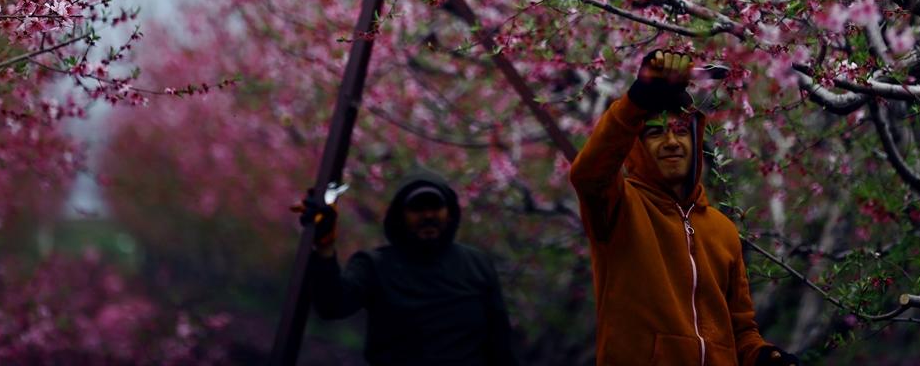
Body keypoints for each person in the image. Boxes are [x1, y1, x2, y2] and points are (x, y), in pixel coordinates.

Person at [570, 50, 799, 365]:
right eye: (655, 132)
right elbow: (588, 175)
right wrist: (637, 99)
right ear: (637, 145)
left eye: (680, 130)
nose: (671, 142)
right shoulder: (620, 207)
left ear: (695, 139)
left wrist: (763, 357)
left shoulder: (723, 230)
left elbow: (741, 331)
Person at [297, 171, 517, 366]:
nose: (428, 215)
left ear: (449, 213)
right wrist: (324, 245)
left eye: (436, 207)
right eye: (417, 208)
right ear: (400, 217)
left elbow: (500, 344)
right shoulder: (374, 266)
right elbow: (332, 305)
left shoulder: (477, 265)